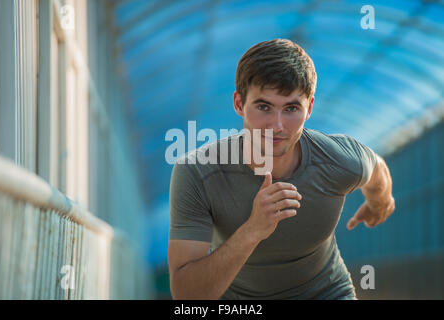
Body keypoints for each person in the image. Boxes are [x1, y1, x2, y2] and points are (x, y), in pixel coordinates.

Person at [167, 39, 395, 300]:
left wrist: (380, 202)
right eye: (264, 107)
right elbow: (186, 296)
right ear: (239, 104)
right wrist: (253, 230)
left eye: (291, 108)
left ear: (309, 107)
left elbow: (377, 168)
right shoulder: (197, 172)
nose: (277, 125)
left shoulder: (337, 159)